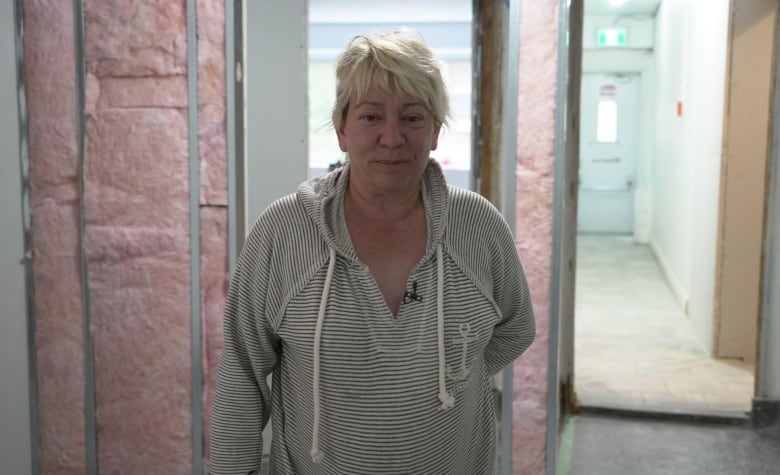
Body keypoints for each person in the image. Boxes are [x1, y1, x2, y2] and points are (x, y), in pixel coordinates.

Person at [208, 29, 535, 474]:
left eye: (413, 118)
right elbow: (242, 373)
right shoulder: (284, 232)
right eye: (370, 116)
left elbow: (515, 329)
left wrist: (436, 380)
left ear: (436, 131)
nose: (392, 137)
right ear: (341, 129)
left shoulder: (477, 227)